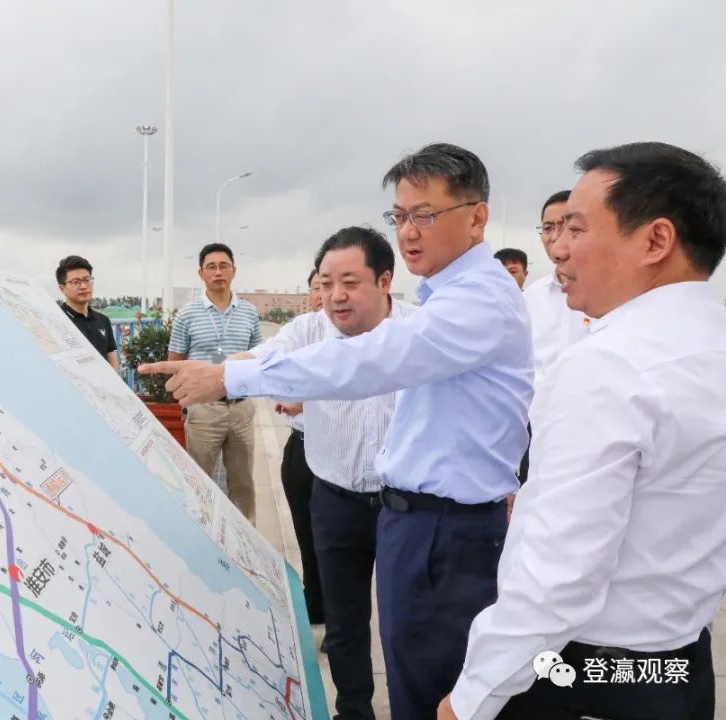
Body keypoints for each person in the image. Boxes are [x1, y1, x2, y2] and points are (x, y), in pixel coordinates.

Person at [140, 143, 533, 720]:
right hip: (393, 514)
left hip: (446, 530)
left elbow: (367, 361)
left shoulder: (470, 304)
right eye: (399, 216)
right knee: (386, 653)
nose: (409, 230)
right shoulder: (438, 302)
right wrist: (232, 371)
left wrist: (227, 376)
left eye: (425, 215)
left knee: (432, 682)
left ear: (477, 217)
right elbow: (294, 355)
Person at [440, 141, 726, 720]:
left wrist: (471, 699)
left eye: (576, 228)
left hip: (586, 677)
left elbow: (559, 578)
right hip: (681, 665)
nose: (559, 249)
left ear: (656, 241)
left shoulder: (610, 364)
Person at [240, 227, 416, 720]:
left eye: (350, 282)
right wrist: (218, 373)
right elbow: (263, 359)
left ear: (385, 281)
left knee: (408, 621)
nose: (336, 295)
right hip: (336, 499)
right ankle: (353, 710)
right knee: (344, 623)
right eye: (326, 282)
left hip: (406, 504)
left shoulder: (419, 331)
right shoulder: (307, 331)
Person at [167, 243, 263, 522]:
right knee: (198, 482)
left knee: (243, 484)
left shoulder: (249, 313)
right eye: (211, 267)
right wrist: (186, 402)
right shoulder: (187, 314)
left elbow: (259, 358)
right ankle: (199, 534)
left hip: (241, 409)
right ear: (201, 273)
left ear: (234, 270)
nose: (218, 272)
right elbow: (175, 362)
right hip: (203, 410)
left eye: (224, 266)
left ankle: (246, 541)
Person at [513, 191, 590, 484]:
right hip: (537, 437)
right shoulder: (529, 299)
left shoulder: (608, 296)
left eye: (567, 226)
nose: (556, 236)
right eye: (548, 227)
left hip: (591, 434)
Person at [270, 268, 326, 626]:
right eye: (318, 287)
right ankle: (314, 601)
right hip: (300, 447)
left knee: (331, 537)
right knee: (305, 533)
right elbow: (272, 364)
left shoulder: (360, 335)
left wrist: (304, 401)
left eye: (330, 285)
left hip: (335, 453)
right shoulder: (300, 331)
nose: (324, 294)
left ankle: (335, 608)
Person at [55, 255, 118, 370]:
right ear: (62, 288)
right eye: (76, 282)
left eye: (87, 280)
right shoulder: (55, 321)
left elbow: (111, 356)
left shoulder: (103, 320)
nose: (84, 286)